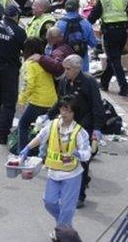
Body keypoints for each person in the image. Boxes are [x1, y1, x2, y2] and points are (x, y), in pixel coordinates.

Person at [21, 96, 92, 232]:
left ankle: (62, 232)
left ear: (74, 114)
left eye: (68, 111)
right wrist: (27, 148)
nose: (64, 114)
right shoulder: (53, 124)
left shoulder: (79, 132)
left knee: (67, 208)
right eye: (62, 110)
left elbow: (87, 152)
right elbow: (40, 137)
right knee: (49, 202)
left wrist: (79, 154)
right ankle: (65, 226)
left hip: (71, 175)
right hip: (53, 173)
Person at [46, 55, 103, 208]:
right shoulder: (65, 81)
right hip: (68, 125)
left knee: (82, 161)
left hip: (84, 125)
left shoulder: (88, 82)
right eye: (64, 69)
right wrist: (48, 116)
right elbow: (61, 101)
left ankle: (80, 196)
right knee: (68, 159)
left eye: (68, 69)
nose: (65, 72)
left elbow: (97, 106)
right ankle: (73, 186)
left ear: (78, 68)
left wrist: (97, 129)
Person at [0, 4, 27, 144]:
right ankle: (3, 133)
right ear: (15, 16)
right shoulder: (19, 31)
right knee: (8, 103)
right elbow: (25, 50)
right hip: (9, 69)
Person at [16, 37, 57, 150]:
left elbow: (28, 83)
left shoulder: (30, 64)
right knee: (45, 128)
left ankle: (23, 152)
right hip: (52, 100)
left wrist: (21, 100)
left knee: (23, 124)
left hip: (38, 101)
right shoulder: (44, 61)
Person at [56, 0, 99, 72]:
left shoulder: (59, 24)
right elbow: (93, 43)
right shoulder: (85, 23)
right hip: (82, 63)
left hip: (65, 63)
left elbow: (53, 44)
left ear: (65, 9)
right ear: (77, 9)